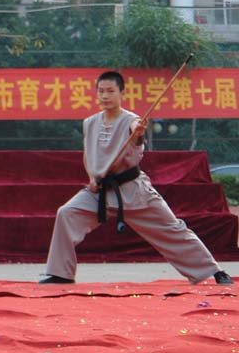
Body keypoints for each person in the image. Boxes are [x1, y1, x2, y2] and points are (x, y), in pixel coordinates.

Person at [40, 70, 233, 285]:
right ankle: (61, 274)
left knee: (173, 228)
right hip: (100, 192)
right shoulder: (90, 123)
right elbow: (88, 155)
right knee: (66, 213)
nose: (105, 96)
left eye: (110, 91)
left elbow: (137, 134)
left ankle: (212, 271)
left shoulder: (132, 120)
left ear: (121, 93)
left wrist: (139, 131)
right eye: (101, 91)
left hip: (134, 191)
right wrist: (92, 178)